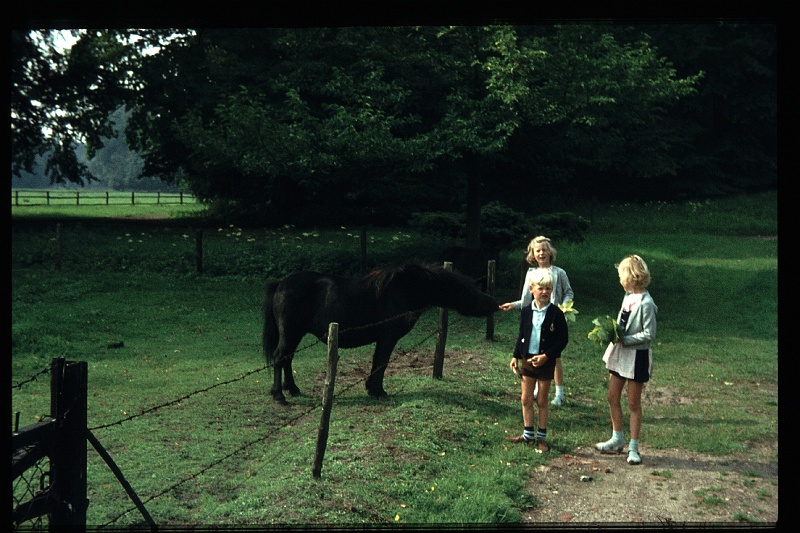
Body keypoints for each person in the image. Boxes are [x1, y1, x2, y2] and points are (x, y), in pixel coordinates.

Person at [595, 254, 658, 465]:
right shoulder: (628, 297)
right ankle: (617, 437)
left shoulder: (646, 303)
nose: (621, 281)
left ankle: (633, 446)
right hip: (620, 354)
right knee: (612, 396)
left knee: (633, 402)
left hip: (637, 356)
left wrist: (626, 339)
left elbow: (649, 334)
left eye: (623, 277)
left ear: (632, 277)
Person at [500, 236, 574, 406]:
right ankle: (535, 387)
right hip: (536, 320)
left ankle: (559, 393)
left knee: (554, 356)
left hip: (553, 320)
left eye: (544, 249)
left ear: (550, 252)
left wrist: (563, 307)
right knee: (535, 353)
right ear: (533, 254)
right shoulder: (531, 274)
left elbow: (569, 292)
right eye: (538, 250)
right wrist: (513, 305)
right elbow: (526, 299)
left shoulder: (559, 273)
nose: (542, 253)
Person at [505, 269, 569, 452]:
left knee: (541, 400)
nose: (545, 292)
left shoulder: (556, 313)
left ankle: (541, 437)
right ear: (532, 289)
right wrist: (515, 356)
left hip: (545, 361)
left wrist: (547, 356)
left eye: (549, 288)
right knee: (525, 398)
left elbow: (562, 340)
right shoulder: (526, 311)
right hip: (527, 358)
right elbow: (522, 334)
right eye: (541, 288)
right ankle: (527, 434)